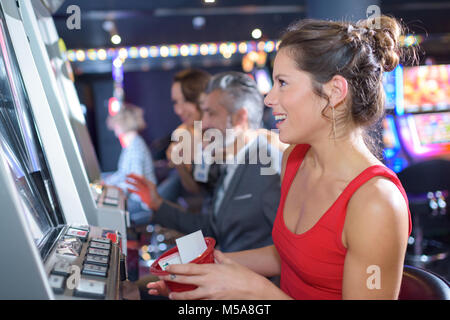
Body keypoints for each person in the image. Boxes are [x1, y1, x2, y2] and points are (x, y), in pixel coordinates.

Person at [145, 16, 413, 300]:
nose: (269, 98)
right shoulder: (294, 160)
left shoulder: (376, 202)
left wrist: (257, 292)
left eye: (283, 83)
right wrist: (206, 273)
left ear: (334, 91)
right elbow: (289, 255)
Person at [127, 71, 283, 253]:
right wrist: (157, 204)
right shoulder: (232, 160)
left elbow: (283, 250)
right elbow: (213, 226)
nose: (205, 122)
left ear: (240, 117)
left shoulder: (268, 163)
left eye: (210, 113)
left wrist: (219, 267)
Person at [157, 69, 211, 205]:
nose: (178, 110)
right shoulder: (183, 133)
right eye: (175, 102)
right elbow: (195, 189)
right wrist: (180, 165)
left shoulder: (226, 131)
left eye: (186, 100)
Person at [103, 103, 157, 222]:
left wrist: (111, 187)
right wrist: (107, 182)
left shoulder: (136, 147)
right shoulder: (132, 144)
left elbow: (135, 181)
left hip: (140, 202)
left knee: (106, 215)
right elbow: (123, 173)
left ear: (122, 124)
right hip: (136, 198)